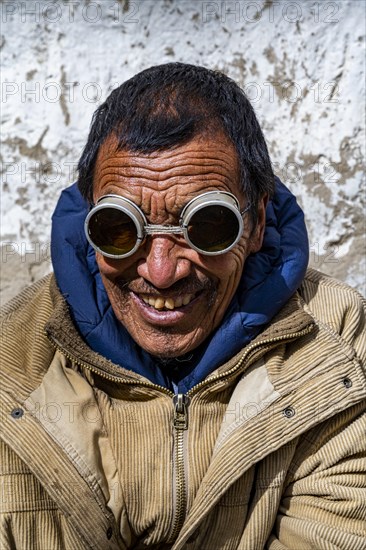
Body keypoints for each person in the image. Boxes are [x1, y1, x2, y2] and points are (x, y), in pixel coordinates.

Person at [1, 63, 365, 550]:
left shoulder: (336, 348)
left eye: (208, 226)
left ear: (256, 223)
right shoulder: (15, 361)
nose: (160, 270)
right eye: (120, 229)